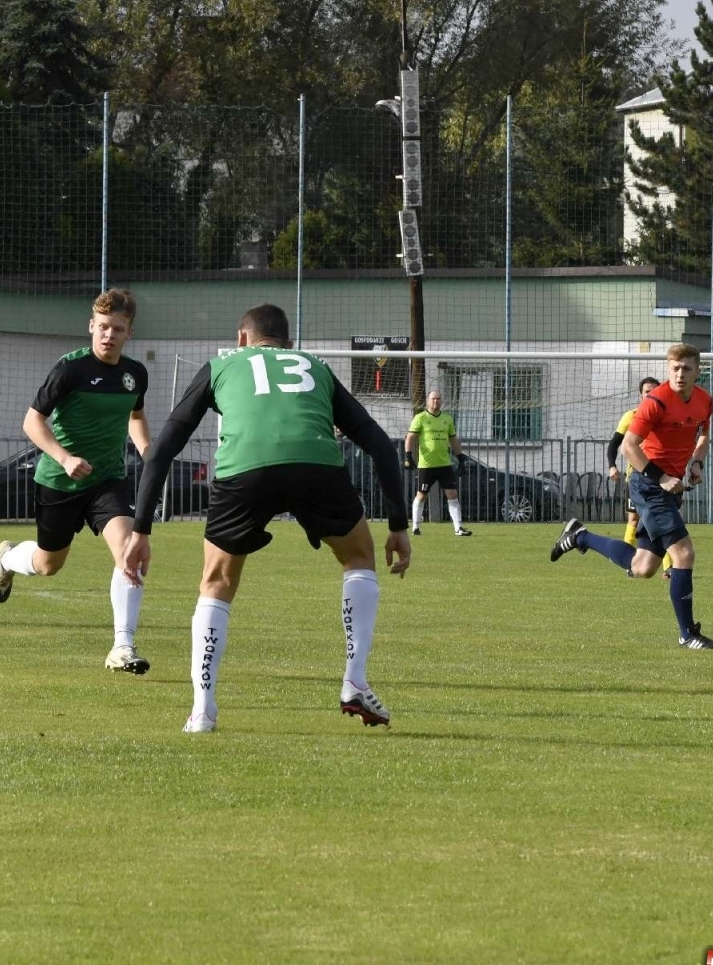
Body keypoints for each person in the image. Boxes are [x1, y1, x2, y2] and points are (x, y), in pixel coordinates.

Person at [121, 304, 411, 734]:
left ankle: (203, 710)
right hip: (316, 466)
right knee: (359, 557)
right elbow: (382, 447)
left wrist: (141, 529)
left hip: (244, 472)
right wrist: (398, 526)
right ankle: (354, 680)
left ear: (241, 338)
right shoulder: (315, 366)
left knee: (216, 583)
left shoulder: (221, 365)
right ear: (288, 344)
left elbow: (162, 448)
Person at [0, 288, 153, 674]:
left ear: (129, 333)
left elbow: (137, 416)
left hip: (108, 479)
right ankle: (8, 559)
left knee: (130, 552)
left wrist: (149, 451)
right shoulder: (70, 370)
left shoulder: (134, 374)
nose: (109, 335)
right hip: (59, 482)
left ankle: (122, 646)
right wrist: (64, 458)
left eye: (118, 329)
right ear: (91, 327)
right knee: (48, 565)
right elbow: (32, 422)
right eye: (104, 327)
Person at [550, 343, 713, 649]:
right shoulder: (656, 402)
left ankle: (580, 537)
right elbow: (629, 446)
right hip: (647, 484)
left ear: (698, 371)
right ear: (668, 370)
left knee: (643, 567)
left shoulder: (705, 401)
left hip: (670, 487)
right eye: (674, 368)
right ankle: (687, 634)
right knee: (683, 554)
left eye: (686, 368)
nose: (680, 374)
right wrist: (663, 477)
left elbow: (704, 435)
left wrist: (696, 462)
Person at [606, 377, 669, 574]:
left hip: (660, 477)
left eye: (654, 390)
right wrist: (612, 466)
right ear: (640, 395)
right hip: (636, 480)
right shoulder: (631, 416)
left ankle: (669, 568)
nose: (650, 394)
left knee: (662, 521)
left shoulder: (666, 417)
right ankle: (629, 565)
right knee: (633, 521)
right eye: (646, 391)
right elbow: (614, 444)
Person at [405, 390, 470, 536]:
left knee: (452, 494)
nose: (436, 401)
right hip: (427, 465)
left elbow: (453, 439)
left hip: (445, 464)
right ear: (428, 401)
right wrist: (408, 456)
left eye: (438, 399)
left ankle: (458, 528)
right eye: (433, 399)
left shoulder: (447, 419)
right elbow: (410, 437)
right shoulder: (420, 418)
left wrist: (460, 457)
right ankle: (415, 526)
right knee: (421, 495)